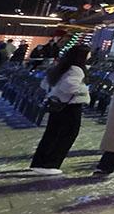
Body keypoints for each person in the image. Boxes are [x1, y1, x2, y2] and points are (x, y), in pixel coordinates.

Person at [29, 45, 92, 174]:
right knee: (67, 135)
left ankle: (39, 162)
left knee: (51, 134)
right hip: (70, 106)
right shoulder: (76, 69)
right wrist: (85, 89)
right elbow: (69, 87)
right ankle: (51, 164)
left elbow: (45, 83)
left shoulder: (61, 66)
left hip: (56, 104)